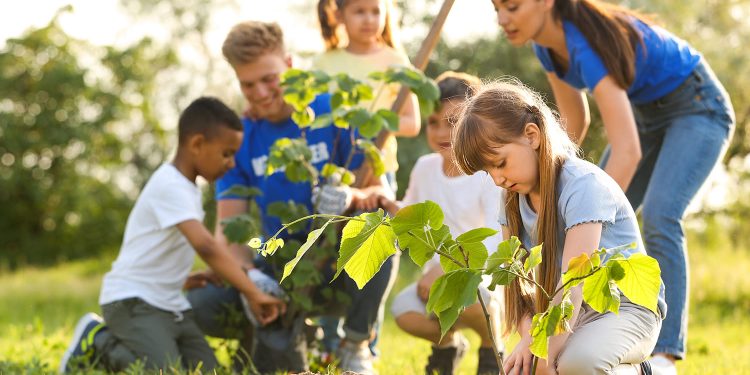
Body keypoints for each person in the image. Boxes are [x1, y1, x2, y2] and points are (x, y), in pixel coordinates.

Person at [490, 0, 735, 371]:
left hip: (697, 105)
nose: (502, 19)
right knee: (585, 224)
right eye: (496, 9)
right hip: (647, 116)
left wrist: (579, 210)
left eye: (511, 6)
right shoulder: (546, 46)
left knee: (658, 214)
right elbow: (571, 122)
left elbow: (626, 152)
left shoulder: (585, 43)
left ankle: (665, 356)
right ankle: (592, 331)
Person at [184, 21, 395, 375]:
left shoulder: (337, 112)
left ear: (290, 66)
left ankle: (355, 344)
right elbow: (230, 226)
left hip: (337, 263)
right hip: (280, 268)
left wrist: (351, 195)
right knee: (203, 303)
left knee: (377, 229)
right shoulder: (241, 136)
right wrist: (249, 277)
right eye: (248, 85)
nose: (261, 92)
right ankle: (282, 334)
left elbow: (383, 196)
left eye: (269, 79)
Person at [452, 80, 667, 375]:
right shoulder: (511, 200)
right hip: (565, 317)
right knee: (525, 368)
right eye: (488, 172)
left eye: (500, 163)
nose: (497, 179)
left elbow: (573, 283)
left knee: (575, 365)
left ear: (532, 136)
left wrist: (544, 352)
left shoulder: (582, 185)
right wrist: (529, 339)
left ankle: (647, 371)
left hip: (625, 310)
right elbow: (518, 288)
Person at [58, 97, 286, 373]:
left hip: (169, 305)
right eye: (226, 154)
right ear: (197, 144)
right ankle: (98, 341)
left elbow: (163, 249)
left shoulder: (187, 189)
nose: (231, 163)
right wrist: (252, 292)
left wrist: (186, 278)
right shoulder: (170, 185)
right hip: (132, 302)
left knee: (207, 370)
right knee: (166, 371)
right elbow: (206, 246)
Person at [375, 71, 504, 375]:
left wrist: (446, 268)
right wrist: (384, 200)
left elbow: (495, 239)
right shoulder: (425, 167)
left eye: (453, 122)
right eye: (433, 123)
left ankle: (491, 348)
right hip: (435, 281)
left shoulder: (487, 174)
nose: (441, 132)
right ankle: (448, 348)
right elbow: (409, 211)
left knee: (474, 295)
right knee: (403, 311)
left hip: (483, 279)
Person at [313, 0, 420, 357]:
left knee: (374, 246)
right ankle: (328, 342)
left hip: (377, 172)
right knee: (331, 254)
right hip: (336, 172)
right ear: (338, 14)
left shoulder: (394, 61)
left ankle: (360, 345)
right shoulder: (326, 63)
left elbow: (412, 122)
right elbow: (312, 120)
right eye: (359, 11)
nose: (369, 19)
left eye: (376, 10)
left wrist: (376, 127)